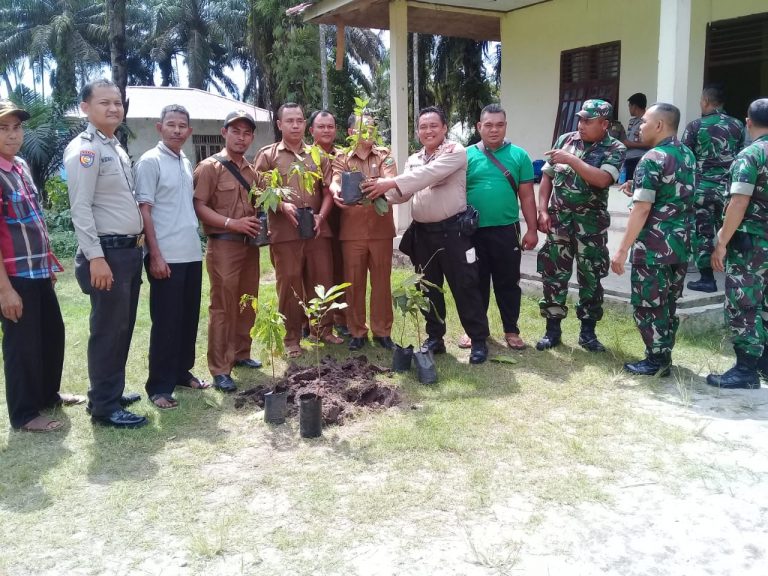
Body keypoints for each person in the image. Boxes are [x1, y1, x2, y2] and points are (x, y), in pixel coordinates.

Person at [362, 106, 491, 365]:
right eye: (423, 126)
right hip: (423, 234)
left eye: (434, 125)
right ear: (418, 131)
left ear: (444, 128)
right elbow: (404, 193)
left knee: (465, 286)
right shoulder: (414, 159)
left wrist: (390, 182)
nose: (428, 130)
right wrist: (373, 193)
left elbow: (428, 175)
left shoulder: (455, 152)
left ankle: (478, 340)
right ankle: (435, 337)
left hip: (453, 232)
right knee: (427, 288)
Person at [64, 79, 147, 429]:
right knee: (108, 331)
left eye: (117, 102)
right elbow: (80, 208)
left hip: (127, 252)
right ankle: (104, 407)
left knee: (121, 327)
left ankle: (108, 392)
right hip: (107, 255)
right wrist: (95, 258)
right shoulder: (85, 150)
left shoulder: (113, 146)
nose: (114, 108)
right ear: (85, 107)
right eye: (104, 103)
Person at [0, 100, 84, 432]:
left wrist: (48, 267)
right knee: (22, 345)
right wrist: (5, 290)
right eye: (3, 128)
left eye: (17, 127)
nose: (12, 135)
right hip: (14, 276)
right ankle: (24, 414)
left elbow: (34, 222)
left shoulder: (19, 166)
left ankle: (48, 395)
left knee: (51, 334)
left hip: (38, 270)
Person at [610, 103, 695, 376]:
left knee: (648, 304)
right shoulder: (686, 154)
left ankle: (656, 361)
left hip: (654, 247)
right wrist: (636, 186)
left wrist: (622, 250)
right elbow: (671, 191)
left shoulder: (652, 158)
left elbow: (643, 209)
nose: (639, 127)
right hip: (680, 245)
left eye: (644, 122)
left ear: (659, 125)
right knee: (667, 303)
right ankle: (663, 356)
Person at [536, 99, 626, 352]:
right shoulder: (566, 140)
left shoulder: (615, 148)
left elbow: (603, 179)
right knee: (553, 277)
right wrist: (542, 210)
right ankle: (552, 331)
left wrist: (571, 160)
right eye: (580, 119)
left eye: (588, 121)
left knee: (591, 279)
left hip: (591, 228)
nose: (581, 125)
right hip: (559, 223)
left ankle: (588, 333)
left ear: (604, 124)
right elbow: (547, 177)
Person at [134, 104, 209, 409]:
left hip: (190, 252)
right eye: (171, 125)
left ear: (189, 131)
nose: (177, 130)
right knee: (166, 321)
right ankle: (159, 386)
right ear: (160, 127)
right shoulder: (150, 161)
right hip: (165, 255)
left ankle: (181, 372)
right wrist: (154, 254)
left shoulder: (184, 161)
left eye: (182, 126)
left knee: (188, 317)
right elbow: (144, 210)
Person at [253, 103, 340, 358]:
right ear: (279, 124)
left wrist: (321, 216)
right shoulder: (268, 155)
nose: (295, 125)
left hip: (316, 230)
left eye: (299, 120)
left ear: (305, 124)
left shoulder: (317, 155)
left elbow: (327, 191)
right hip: (285, 233)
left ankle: (322, 329)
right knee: (289, 285)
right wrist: (281, 205)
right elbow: (257, 191)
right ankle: (292, 338)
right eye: (289, 121)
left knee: (322, 280)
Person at [457, 103, 538, 351]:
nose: (494, 130)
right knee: (475, 282)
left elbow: (527, 196)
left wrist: (532, 229)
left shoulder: (519, 156)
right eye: (488, 125)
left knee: (508, 282)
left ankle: (511, 330)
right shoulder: (465, 156)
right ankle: (475, 330)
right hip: (473, 232)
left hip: (506, 230)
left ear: (506, 126)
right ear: (479, 127)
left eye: (499, 125)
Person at [193, 110, 263, 393]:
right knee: (223, 305)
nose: (241, 138)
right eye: (235, 131)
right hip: (223, 244)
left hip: (249, 247)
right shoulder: (209, 168)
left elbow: (262, 203)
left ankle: (242, 353)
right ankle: (221, 368)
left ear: (252, 137)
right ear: (224, 133)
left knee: (248, 301)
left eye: (247, 133)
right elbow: (199, 205)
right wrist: (230, 223)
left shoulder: (252, 172)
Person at [706, 98, 768, 389]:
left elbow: (739, 202)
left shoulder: (751, 154)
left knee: (743, 303)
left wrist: (721, 241)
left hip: (751, 244)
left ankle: (746, 370)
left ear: (748, 122)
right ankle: (764, 363)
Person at [330, 113, 397, 351]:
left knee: (381, 283)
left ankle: (382, 331)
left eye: (371, 128)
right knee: (354, 283)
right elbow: (336, 180)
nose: (367, 132)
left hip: (381, 229)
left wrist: (375, 185)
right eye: (361, 128)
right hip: (352, 231)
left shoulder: (384, 154)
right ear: (351, 132)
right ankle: (357, 331)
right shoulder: (342, 157)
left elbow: (390, 179)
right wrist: (335, 188)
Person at [682, 84, 744, 293]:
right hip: (729, 191)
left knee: (703, 233)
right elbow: (742, 155)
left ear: (706, 101)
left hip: (702, 190)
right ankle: (737, 279)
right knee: (730, 232)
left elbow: (686, 158)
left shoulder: (695, 126)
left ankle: (707, 279)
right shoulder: (738, 125)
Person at [308, 109, 348, 338]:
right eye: (321, 126)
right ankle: (308, 321)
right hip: (314, 222)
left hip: (342, 219)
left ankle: (342, 318)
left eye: (330, 126)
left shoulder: (345, 155)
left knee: (341, 270)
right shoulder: (303, 156)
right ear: (311, 130)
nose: (326, 130)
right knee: (313, 273)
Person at [622, 93, 649, 181]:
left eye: (629, 106)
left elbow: (651, 144)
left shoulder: (648, 122)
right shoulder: (632, 121)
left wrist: (630, 144)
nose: (629, 109)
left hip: (639, 159)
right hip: (628, 159)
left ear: (634, 106)